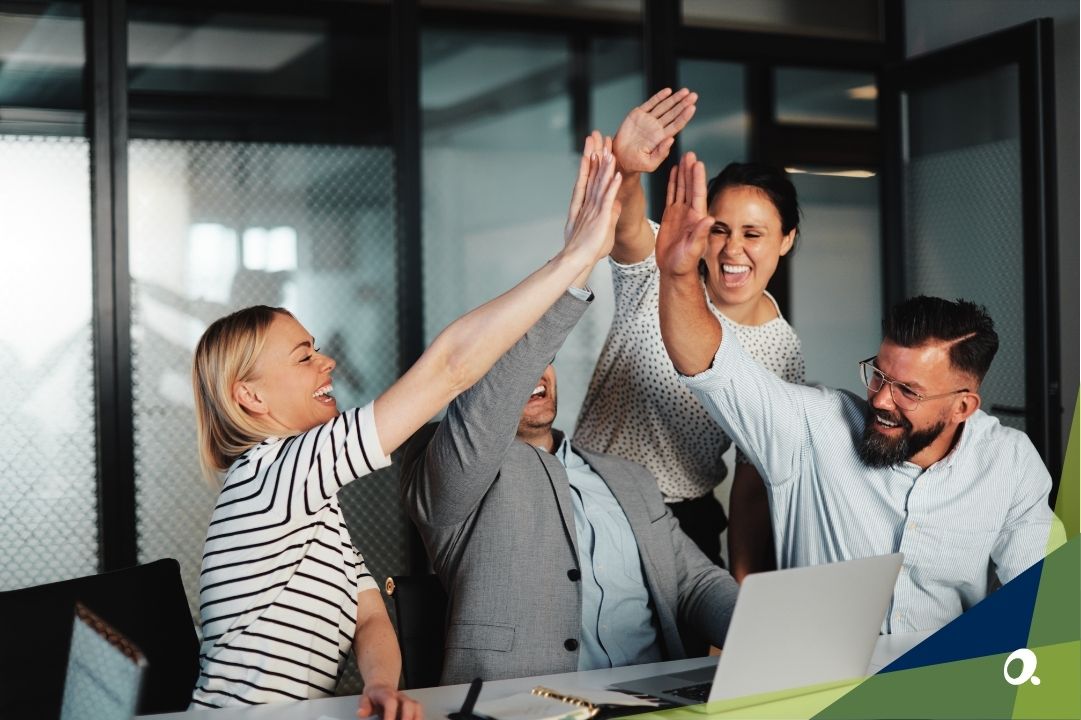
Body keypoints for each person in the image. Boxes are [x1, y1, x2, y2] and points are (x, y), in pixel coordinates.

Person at [188, 141, 624, 709]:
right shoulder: (272, 475)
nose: (328, 362)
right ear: (249, 396)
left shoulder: (306, 495)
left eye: (317, 349)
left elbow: (369, 617)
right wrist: (573, 259)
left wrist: (380, 687)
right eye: (303, 357)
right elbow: (450, 369)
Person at [654, 151, 1062, 633]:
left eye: (908, 391)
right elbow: (709, 361)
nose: (881, 399)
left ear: (963, 407)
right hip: (816, 691)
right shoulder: (813, 426)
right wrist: (679, 276)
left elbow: (1040, 605)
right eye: (879, 375)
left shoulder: (1008, 463)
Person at [399, 264, 739, 684]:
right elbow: (478, 422)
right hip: (525, 705)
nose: (535, 372)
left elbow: (696, 583)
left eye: (545, 359)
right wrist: (579, 263)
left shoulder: (627, 477)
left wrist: (763, 632)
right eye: (509, 364)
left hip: (651, 697)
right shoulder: (446, 461)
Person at [574, 89, 804, 579]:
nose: (732, 249)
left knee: (687, 654)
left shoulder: (782, 350)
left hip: (684, 523)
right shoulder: (666, 262)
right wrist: (627, 167)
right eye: (720, 229)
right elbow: (628, 224)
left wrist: (742, 587)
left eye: (753, 233)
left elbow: (752, 478)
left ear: (786, 241)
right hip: (591, 499)